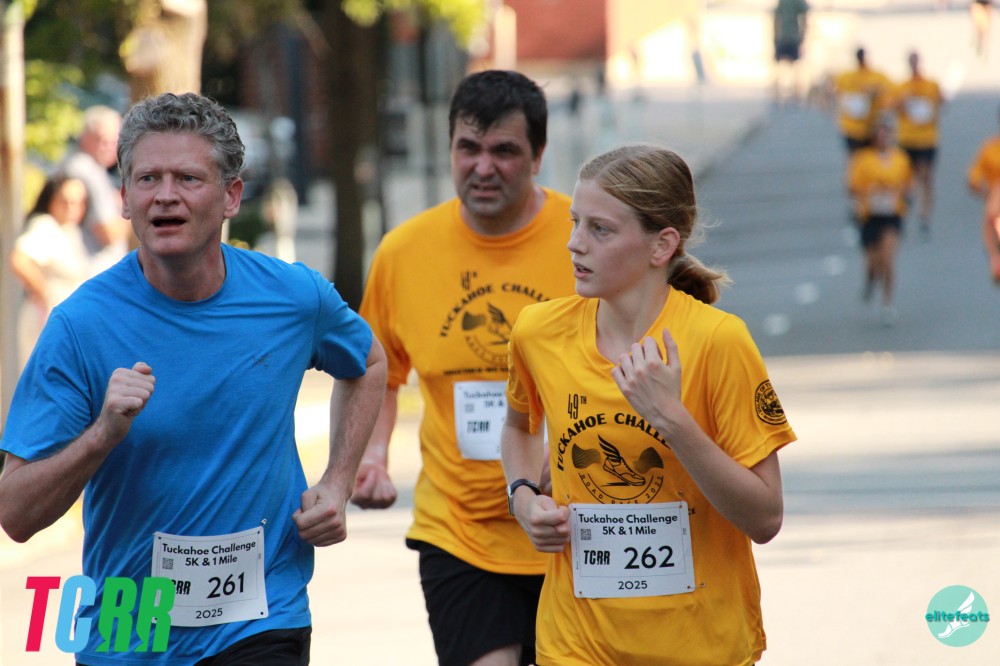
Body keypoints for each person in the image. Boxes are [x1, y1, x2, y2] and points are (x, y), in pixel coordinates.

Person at [0, 92, 388, 664]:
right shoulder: (80, 326)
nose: (165, 195)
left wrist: (338, 481)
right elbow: (14, 514)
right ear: (125, 198)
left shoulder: (292, 298)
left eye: (187, 178)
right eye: (147, 179)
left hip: (261, 617)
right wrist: (101, 435)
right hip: (129, 624)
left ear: (231, 196)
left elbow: (369, 363)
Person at [500, 143, 795, 665]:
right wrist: (523, 498)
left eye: (600, 229)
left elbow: (765, 517)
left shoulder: (718, 341)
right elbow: (519, 427)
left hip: (701, 644)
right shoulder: (538, 332)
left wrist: (672, 420)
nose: (574, 244)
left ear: (662, 246)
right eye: (575, 222)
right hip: (576, 643)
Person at [352, 69, 577, 666]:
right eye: (468, 148)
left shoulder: (585, 242)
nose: (483, 167)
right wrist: (372, 457)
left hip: (574, 527)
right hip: (460, 532)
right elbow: (379, 373)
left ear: (538, 156)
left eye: (504, 151)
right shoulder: (404, 252)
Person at [9, 174, 90, 369]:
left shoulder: (70, 231)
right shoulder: (45, 226)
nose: (71, 208)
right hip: (46, 321)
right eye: (65, 201)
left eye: (78, 203)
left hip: (65, 324)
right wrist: (44, 296)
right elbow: (19, 260)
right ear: (51, 200)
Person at [847, 113, 913, 325]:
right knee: (873, 263)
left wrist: (900, 194)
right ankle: (869, 282)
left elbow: (908, 184)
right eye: (879, 134)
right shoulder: (862, 159)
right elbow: (852, 186)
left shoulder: (901, 158)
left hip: (892, 214)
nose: (883, 138)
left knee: (888, 260)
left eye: (886, 134)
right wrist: (872, 190)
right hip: (870, 215)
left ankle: (887, 303)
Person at [61, 105, 131, 272]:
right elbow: (108, 233)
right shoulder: (86, 170)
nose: (110, 147)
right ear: (86, 138)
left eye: (115, 142)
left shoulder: (79, 165)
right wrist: (132, 209)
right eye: (104, 141)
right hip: (92, 270)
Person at [891, 51, 944, 234]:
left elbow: (941, 102)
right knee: (906, 180)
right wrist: (903, 100)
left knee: (926, 178)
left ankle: (924, 216)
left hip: (927, 139)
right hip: (907, 139)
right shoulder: (902, 87)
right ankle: (902, 212)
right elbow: (892, 107)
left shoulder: (931, 85)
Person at [833, 47, 894, 154]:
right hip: (852, 127)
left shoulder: (876, 76)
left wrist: (876, 93)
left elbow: (889, 94)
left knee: (871, 156)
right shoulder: (846, 76)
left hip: (871, 126)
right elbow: (836, 94)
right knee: (856, 157)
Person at [967, 103, 1000, 282]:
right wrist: (982, 189)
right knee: (991, 218)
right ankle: (995, 257)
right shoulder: (990, 148)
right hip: (996, 204)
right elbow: (974, 176)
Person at [772, 0, 809, 105]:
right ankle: (795, 94)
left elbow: (776, 18)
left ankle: (778, 95)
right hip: (794, 37)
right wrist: (803, 35)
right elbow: (805, 17)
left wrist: (775, 36)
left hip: (783, 37)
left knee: (780, 66)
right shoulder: (798, 2)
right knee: (796, 66)